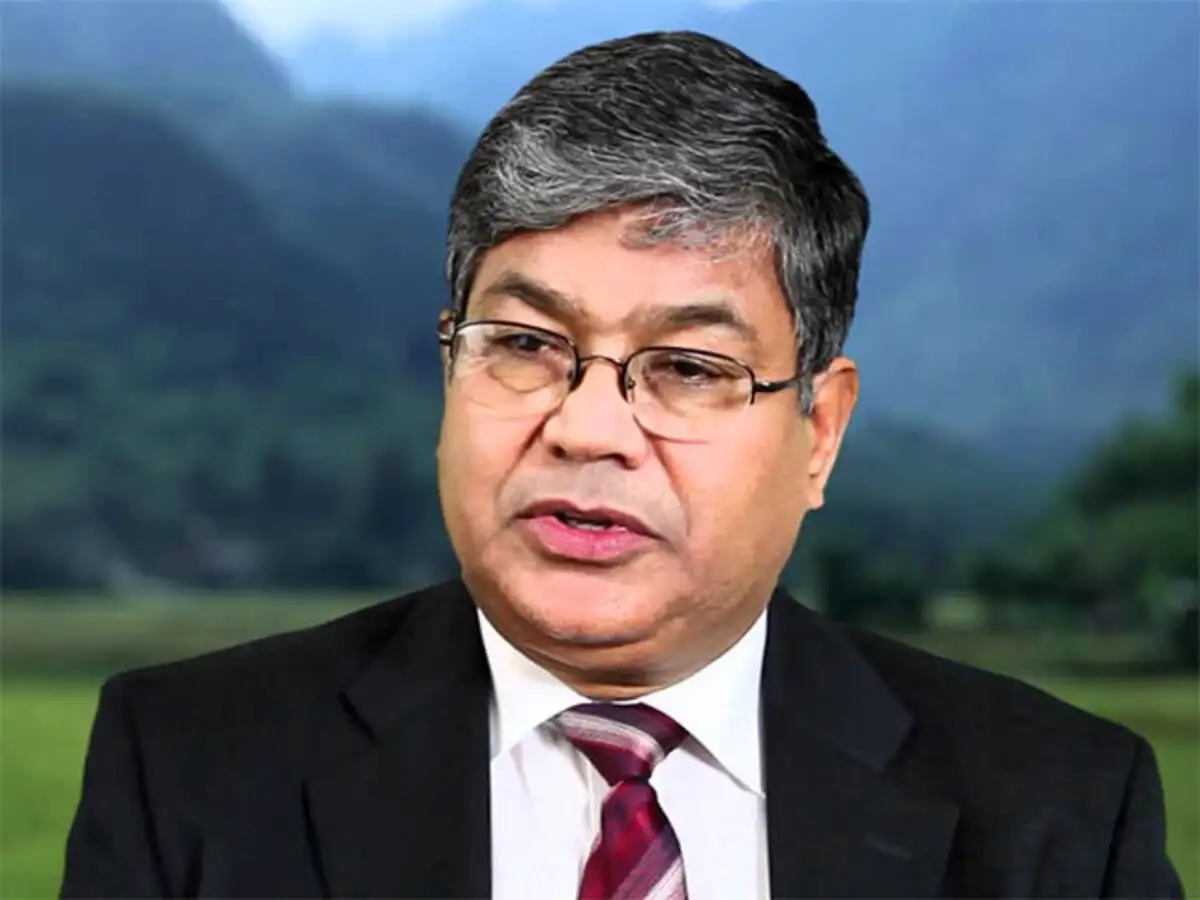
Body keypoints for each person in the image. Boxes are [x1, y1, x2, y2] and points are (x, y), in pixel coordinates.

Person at [60, 30, 1182, 900]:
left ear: (821, 431)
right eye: (525, 345)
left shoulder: (1060, 815)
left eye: (688, 367)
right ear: (449, 368)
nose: (588, 428)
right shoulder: (188, 767)